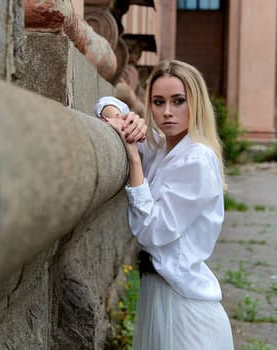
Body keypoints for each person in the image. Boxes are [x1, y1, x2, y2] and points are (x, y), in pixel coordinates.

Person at [99, 60, 234, 350]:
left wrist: (134, 160)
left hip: (184, 307)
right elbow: (107, 101)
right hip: (158, 294)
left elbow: (152, 231)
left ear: (195, 102)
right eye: (158, 102)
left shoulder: (196, 158)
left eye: (178, 101)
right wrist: (122, 118)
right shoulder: (163, 147)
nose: (167, 112)